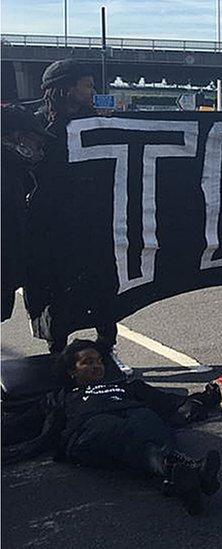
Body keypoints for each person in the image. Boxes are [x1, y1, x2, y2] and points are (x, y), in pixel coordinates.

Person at [52, 340, 221, 514]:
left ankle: (183, 476)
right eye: (87, 362)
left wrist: (205, 398)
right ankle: (189, 469)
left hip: (133, 415)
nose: (96, 366)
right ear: (72, 371)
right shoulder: (65, 396)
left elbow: (167, 401)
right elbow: (41, 422)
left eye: (99, 361)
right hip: (91, 426)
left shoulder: (127, 387)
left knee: (148, 422)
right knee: (124, 434)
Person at [28, 59, 122, 358]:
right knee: (54, 287)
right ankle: (57, 351)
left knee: (101, 282)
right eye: (88, 86)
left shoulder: (96, 121)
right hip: (51, 225)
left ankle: (106, 345)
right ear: (67, 89)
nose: (93, 91)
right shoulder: (37, 124)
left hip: (92, 222)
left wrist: (108, 123)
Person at [2, 105, 53, 321]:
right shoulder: (6, 176)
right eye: (36, 142)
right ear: (16, 139)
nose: (40, 151)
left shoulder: (15, 172)